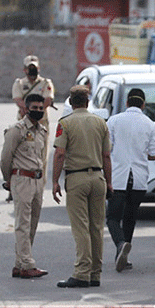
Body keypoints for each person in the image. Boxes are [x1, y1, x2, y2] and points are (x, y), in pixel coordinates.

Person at [51, 85, 112, 288]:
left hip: (76, 179)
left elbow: (60, 154)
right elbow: (106, 156)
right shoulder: (100, 123)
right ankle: (95, 273)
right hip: (98, 177)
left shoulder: (65, 123)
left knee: (81, 228)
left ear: (71, 102)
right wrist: (109, 181)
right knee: (96, 228)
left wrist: (54, 181)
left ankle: (81, 272)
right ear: (87, 102)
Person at [106, 88, 155, 272]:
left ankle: (120, 244)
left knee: (112, 217)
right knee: (130, 218)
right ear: (143, 105)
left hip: (118, 177)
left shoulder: (114, 121)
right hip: (138, 178)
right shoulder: (149, 124)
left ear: (127, 103)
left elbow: (107, 148)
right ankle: (123, 256)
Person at [0, 93, 49, 279]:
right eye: (34, 108)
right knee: (23, 223)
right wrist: (9, 181)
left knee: (33, 223)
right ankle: (27, 264)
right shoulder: (17, 130)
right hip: (21, 179)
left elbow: (42, 159)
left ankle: (20, 263)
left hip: (37, 181)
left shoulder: (42, 131)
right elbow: (5, 159)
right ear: (26, 109)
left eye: (40, 108)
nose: (38, 111)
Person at [11, 55, 55, 124]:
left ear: (38, 68)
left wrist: (37, 112)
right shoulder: (19, 83)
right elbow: (18, 99)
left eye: (34, 68)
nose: (32, 70)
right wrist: (29, 111)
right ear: (25, 69)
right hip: (24, 120)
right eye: (30, 68)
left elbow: (48, 99)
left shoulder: (46, 83)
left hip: (41, 120)